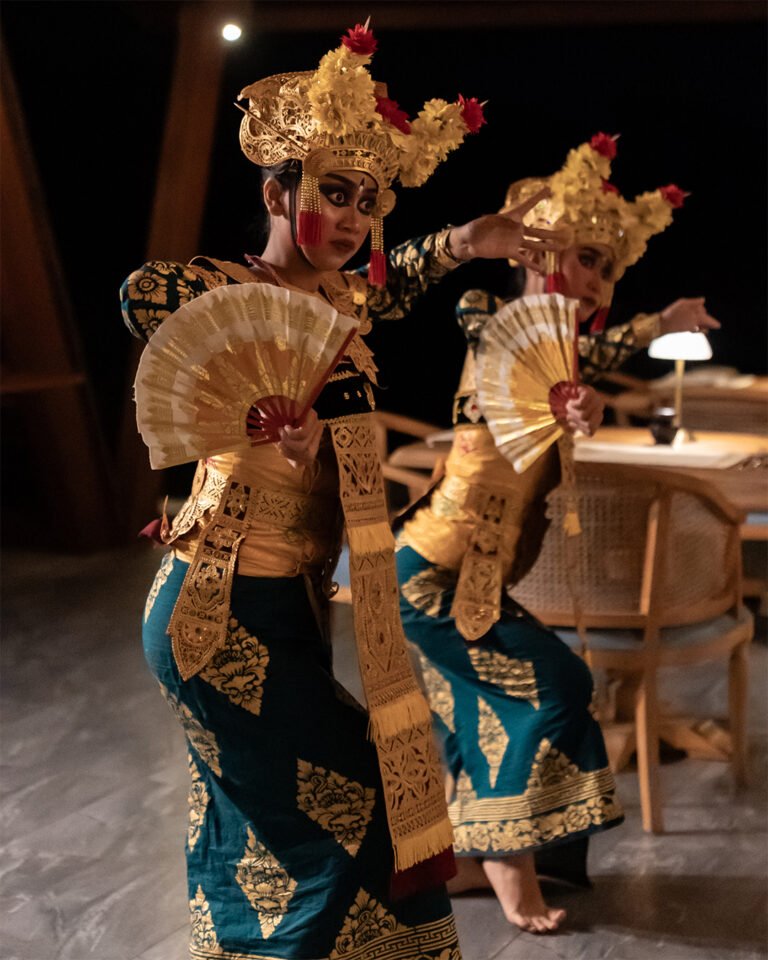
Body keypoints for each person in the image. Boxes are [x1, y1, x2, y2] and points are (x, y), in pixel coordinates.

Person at [121, 23, 564, 959]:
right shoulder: (222, 287)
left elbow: (384, 286)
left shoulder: (338, 304)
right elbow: (142, 296)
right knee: (350, 814)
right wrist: (253, 410)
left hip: (283, 607)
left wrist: (463, 241)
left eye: (368, 199)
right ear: (276, 191)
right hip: (217, 612)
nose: (358, 216)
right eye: (333, 192)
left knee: (286, 826)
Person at [396, 133, 718, 934]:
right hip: (434, 571)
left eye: (606, 266)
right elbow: (509, 366)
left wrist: (657, 326)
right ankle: (506, 858)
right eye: (579, 257)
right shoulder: (493, 321)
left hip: (473, 576)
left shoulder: (565, 353)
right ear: (539, 257)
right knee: (558, 687)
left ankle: (466, 861)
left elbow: (591, 354)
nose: (592, 278)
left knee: (478, 713)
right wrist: (561, 407)